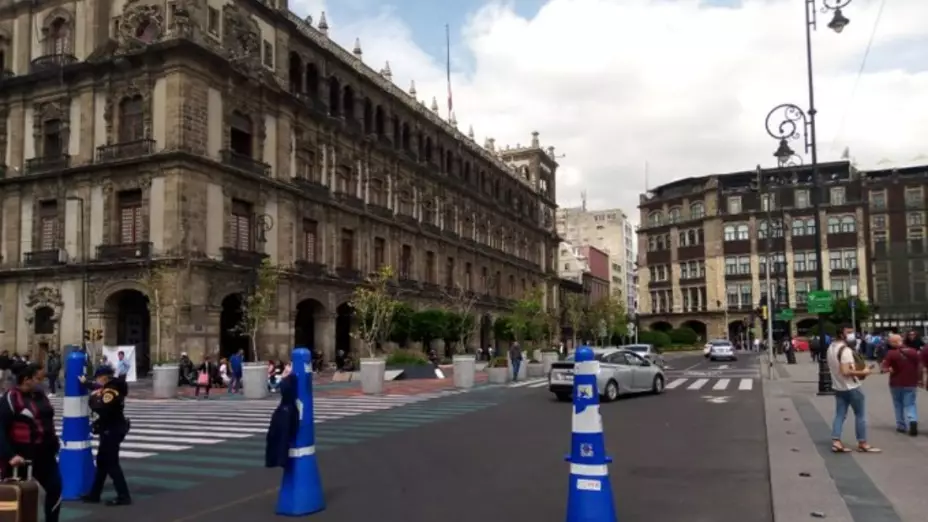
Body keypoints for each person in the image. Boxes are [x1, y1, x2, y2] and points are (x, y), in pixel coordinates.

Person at [0, 362, 62, 522]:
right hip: (20, 457)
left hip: (44, 453)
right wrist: (10, 455)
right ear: (26, 379)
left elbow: (47, 422)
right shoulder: (10, 398)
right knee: (16, 495)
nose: (41, 382)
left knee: (55, 488)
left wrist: (54, 442)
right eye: (37, 379)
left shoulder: (40, 396)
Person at [80, 366, 131, 506]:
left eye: (98, 377)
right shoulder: (111, 387)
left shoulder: (110, 391)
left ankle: (123, 495)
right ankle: (95, 494)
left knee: (111, 463)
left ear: (104, 377)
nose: (97, 380)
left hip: (112, 430)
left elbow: (102, 407)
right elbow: (97, 387)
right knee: (102, 462)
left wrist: (93, 399)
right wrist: (87, 384)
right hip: (110, 429)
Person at [826, 324, 880, 454]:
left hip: (838, 387)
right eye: (848, 332)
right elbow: (845, 371)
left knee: (840, 415)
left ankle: (836, 441)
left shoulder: (831, 347)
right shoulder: (845, 350)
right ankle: (862, 443)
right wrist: (864, 372)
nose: (852, 335)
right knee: (860, 415)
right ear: (841, 334)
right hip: (851, 387)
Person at [880, 334, 920, 436]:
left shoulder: (891, 353)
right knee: (910, 403)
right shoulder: (913, 352)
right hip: (911, 382)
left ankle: (901, 425)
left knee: (898, 404)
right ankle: (912, 420)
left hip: (896, 383)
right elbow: (919, 366)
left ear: (893, 342)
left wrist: (888, 369)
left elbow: (884, 368)